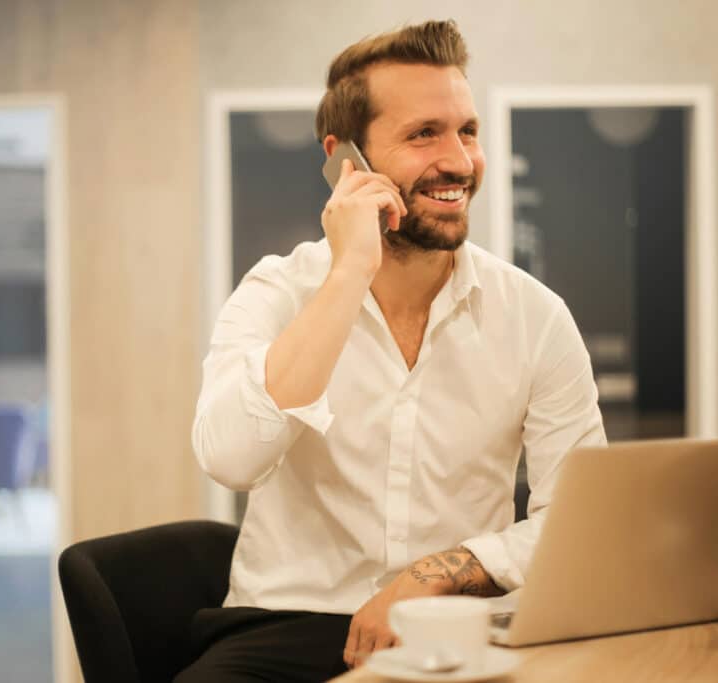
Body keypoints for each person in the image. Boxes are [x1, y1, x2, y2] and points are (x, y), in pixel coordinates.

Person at [183, 19, 606, 683]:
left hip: (460, 620)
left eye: (467, 130)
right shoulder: (277, 290)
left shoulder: (537, 318)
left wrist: (433, 575)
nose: (461, 162)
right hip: (288, 624)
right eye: (423, 134)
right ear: (345, 159)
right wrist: (349, 273)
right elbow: (231, 457)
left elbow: (576, 524)